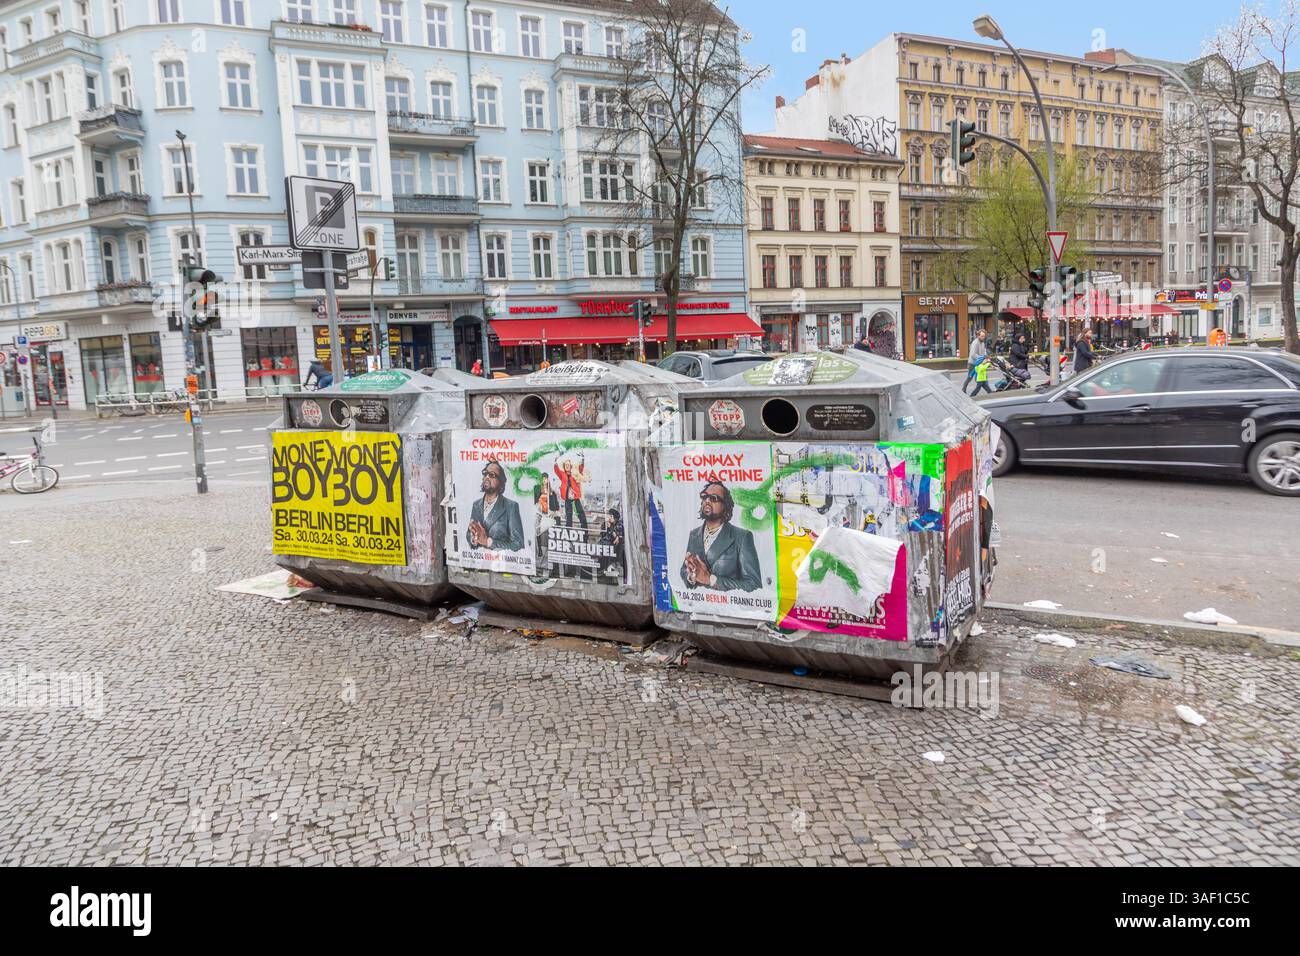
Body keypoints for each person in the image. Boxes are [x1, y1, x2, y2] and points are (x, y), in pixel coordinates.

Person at [681, 482, 762, 593]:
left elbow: (753, 585)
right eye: (705, 496)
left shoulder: (742, 537)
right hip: (698, 606)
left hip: (728, 608)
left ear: (725, 506)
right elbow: (684, 570)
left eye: (714, 498)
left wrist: (711, 580)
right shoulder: (694, 535)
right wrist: (691, 576)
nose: (707, 501)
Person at [467, 458, 524, 552]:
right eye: (485, 473)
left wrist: (488, 542)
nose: (487, 477)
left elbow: (518, 544)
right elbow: (469, 535)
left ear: (500, 482)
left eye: (492, 475)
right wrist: (474, 539)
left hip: (501, 564)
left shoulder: (511, 507)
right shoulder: (476, 505)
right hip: (479, 563)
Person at [554, 454, 589, 530]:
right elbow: (556, 470)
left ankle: (585, 531)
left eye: (568, 465)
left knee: (581, 514)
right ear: (564, 466)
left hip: (575, 498)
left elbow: (580, 468)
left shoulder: (574, 472)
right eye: (565, 465)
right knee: (568, 516)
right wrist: (555, 461)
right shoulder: (562, 474)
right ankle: (568, 532)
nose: (567, 466)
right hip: (567, 499)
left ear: (571, 466)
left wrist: (582, 458)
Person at [963, 329, 988, 395]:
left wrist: (985, 356)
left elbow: (984, 352)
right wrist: (982, 358)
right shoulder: (975, 343)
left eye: (984, 336)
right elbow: (973, 354)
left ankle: (988, 391)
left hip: (979, 363)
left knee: (981, 378)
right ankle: (963, 388)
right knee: (970, 377)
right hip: (972, 363)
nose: (983, 337)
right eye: (982, 336)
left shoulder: (982, 343)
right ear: (978, 336)